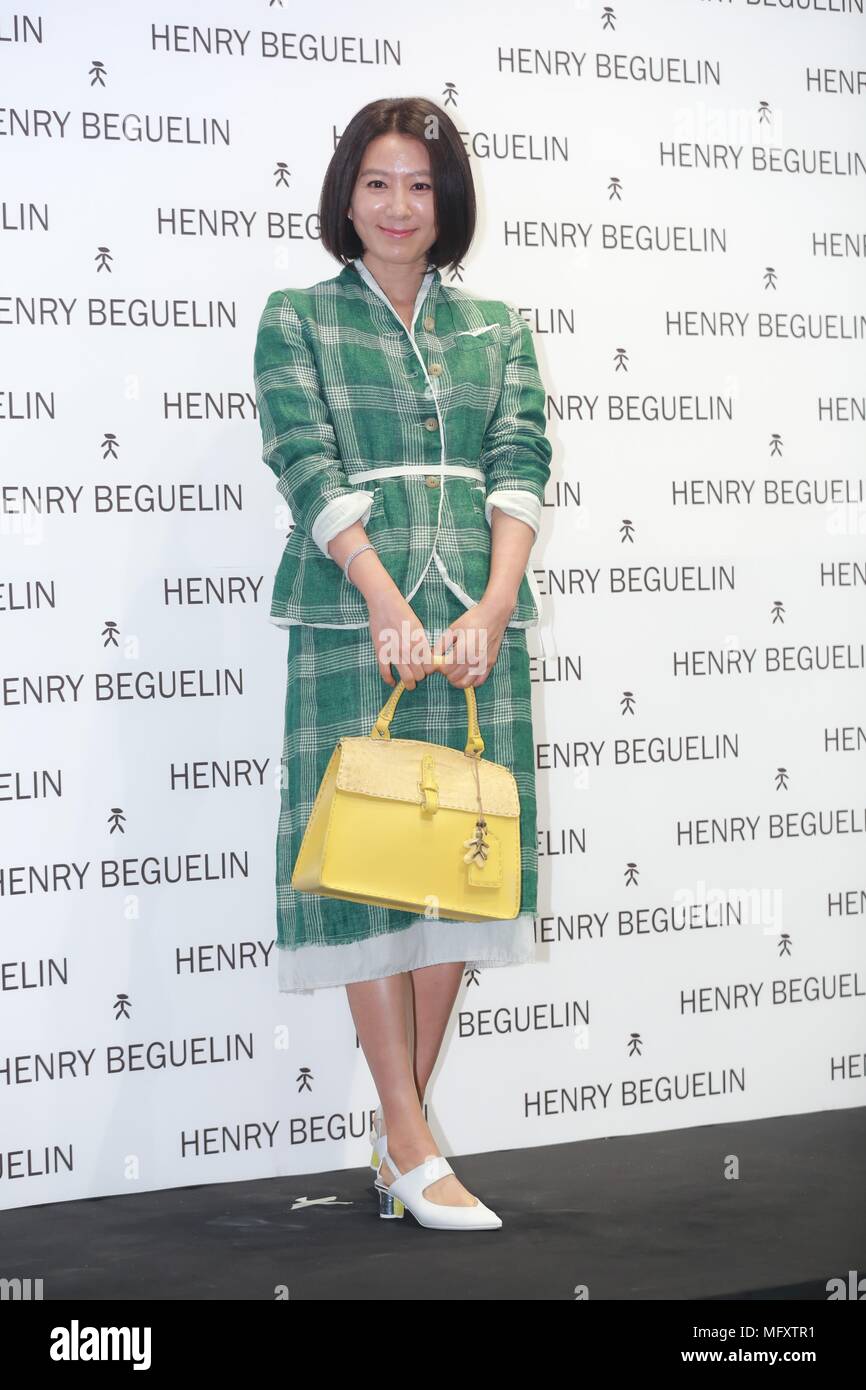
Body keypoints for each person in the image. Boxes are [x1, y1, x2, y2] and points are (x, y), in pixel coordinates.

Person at [253, 96, 552, 1230]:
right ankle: (413, 1137)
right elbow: (303, 457)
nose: (396, 205)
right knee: (367, 875)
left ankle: (398, 1138)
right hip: (349, 617)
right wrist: (382, 598)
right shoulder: (297, 318)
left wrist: (492, 601)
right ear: (346, 194)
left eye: (419, 185)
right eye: (376, 182)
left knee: (453, 871)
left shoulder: (498, 328)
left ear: (447, 202)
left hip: (477, 631)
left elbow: (520, 458)